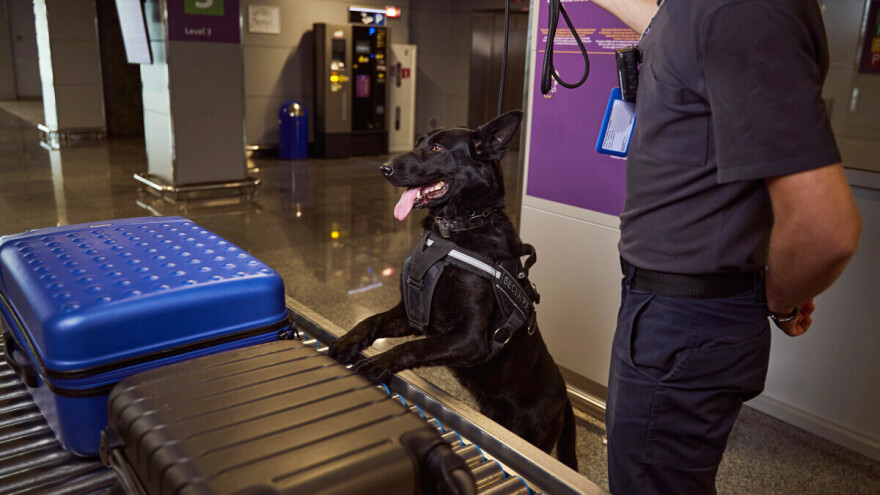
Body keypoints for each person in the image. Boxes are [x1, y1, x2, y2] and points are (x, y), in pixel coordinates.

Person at [586, 0, 863, 493]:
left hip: (685, 321)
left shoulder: (742, 10)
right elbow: (664, 24)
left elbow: (826, 231)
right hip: (667, 313)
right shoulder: (697, 12)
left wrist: (778, 297)